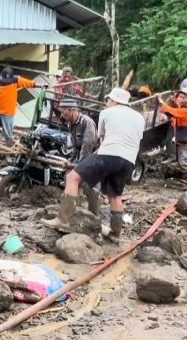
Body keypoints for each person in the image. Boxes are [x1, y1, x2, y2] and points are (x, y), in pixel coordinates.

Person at [59, 88, 144, 241]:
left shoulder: (107, 112)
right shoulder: (139, 117)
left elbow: (101, 139)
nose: (106, 103)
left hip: (110, 152)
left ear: (114, 101)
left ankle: (63, 220)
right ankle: (115, 234)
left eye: (108, 100)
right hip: (130, 160)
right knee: (115, 196)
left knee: (72, 177)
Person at [161, 87, 187, 187]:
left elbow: (174, 112)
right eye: (179, 96)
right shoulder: (186, 106)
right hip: (184, 138)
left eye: (182, 97)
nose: (179, 99)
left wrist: (161, 102)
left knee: (184, 162)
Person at [0, 67, 42, 145]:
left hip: (8, 110)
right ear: (1, 76)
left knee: (8, 133)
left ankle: (8, 148)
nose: (6, 82)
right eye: (4, 80)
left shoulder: (16, 80)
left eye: (8, 80)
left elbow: (30, 83)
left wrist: (41, 85)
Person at [58, 97, 98, 165]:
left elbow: (87, 148)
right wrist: (70, 160)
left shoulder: (86, 122)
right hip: (80, 159)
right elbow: (75, 146)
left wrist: (79, 166)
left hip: (91, 160)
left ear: (71, 110)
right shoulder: (70, 124)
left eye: (63, 111)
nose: (62, 115)